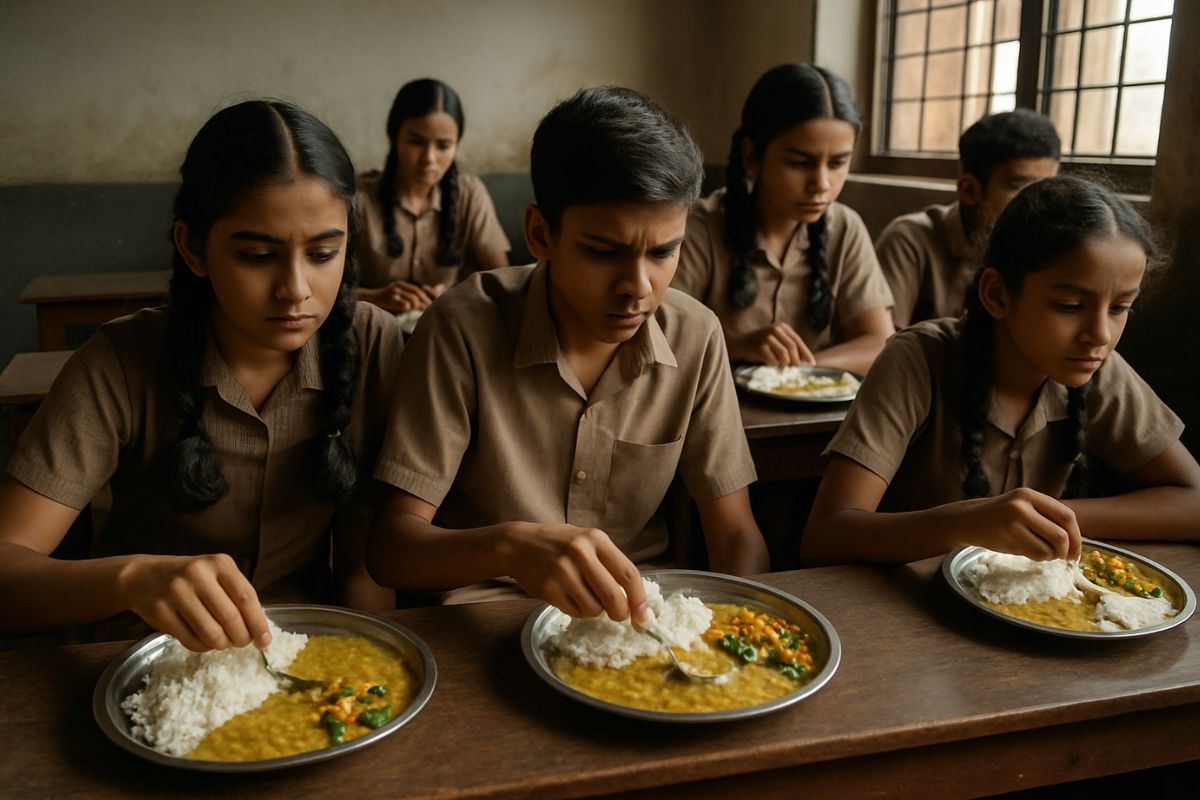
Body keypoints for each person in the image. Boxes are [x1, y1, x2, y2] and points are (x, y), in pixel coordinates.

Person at [0, 101, 401, 649]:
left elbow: (362, 572)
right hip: (140, 655)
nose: (296, 289)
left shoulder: (371, 343)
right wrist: (132, 578)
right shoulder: (121, 362)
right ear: (192, 247)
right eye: (258, 255)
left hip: (301, 652)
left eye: (324, 252)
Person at [368, 87, 770, 623]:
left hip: (637, 623)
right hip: (486, 619)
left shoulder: (696, 335)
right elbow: (392, 548)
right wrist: (511, 548)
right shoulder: (461, 327)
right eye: (604, 253)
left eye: (664, 252)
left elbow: (736, 533)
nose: (638, 286)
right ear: (540, 233)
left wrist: (740, 644)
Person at [802, 175, 1200, 565]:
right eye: (1069, 306)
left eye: (1119, 308)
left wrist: (1048, 518)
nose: (1099, 334)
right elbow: (826, 536)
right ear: (997, 294)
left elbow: (1193, 501)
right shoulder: (919, 360)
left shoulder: (1099, 370)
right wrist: (967, 522)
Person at [673, 63, 894, 374]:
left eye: (838, 163)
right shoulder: (698, 229)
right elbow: (662, 339)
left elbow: (879, 342)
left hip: (820, 419)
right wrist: (738, 346)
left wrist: (794, 373)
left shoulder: (845, 228)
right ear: (752, 156)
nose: (822, 184)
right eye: (800, 163)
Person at [877, 109, 1061, 328]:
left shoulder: (1055, 249)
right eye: (1019, 187)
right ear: (969, 190)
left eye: (1047, 188)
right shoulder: (910, 240)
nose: (1037, 202)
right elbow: (884, 346)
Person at [356, 78, 509, 314]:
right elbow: (323, 291)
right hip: (376, 330)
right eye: (416, 142)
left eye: (444, 145)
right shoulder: (359, 199)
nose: (429, 158)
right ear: (394, 137)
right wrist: (374, 298)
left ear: (457, 145)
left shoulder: (468, 194)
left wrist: (456, 296)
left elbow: (504, 280)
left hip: (448, 327)